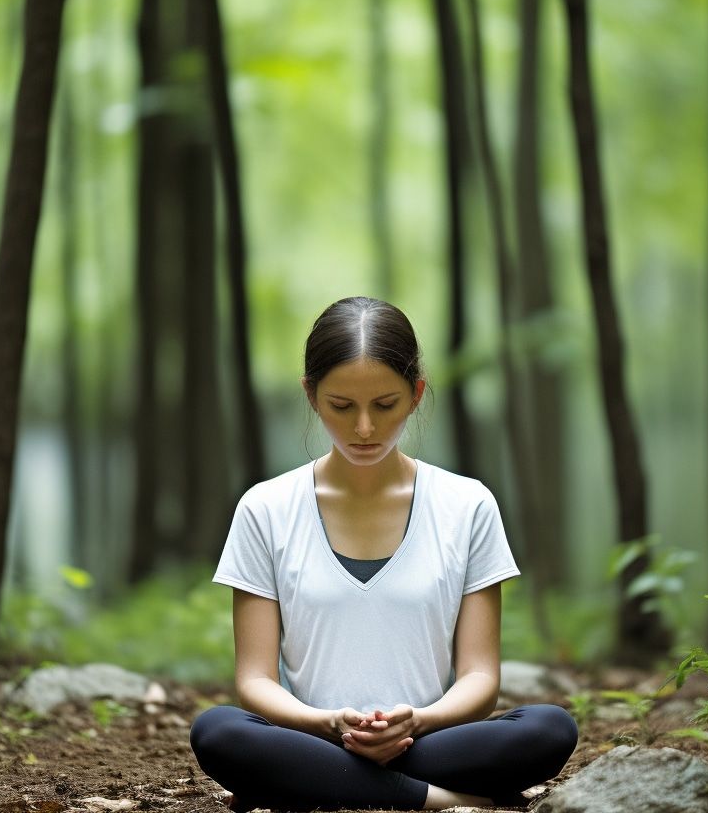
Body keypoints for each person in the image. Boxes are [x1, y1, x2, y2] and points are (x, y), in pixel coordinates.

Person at [190, 297, 578, 811]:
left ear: (416, 394)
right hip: (313, 738)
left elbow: (481, 678)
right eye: (342, 406)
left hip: (428, 737)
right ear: (311, 395)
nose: (365, 428)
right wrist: (328, 722)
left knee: (550, 727)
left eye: (385, 404)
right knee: (218, 731)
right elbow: (255, 681)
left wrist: (415, 720)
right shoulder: (265, 508)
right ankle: (438, 798)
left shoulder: (468, 504)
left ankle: (310, 784)